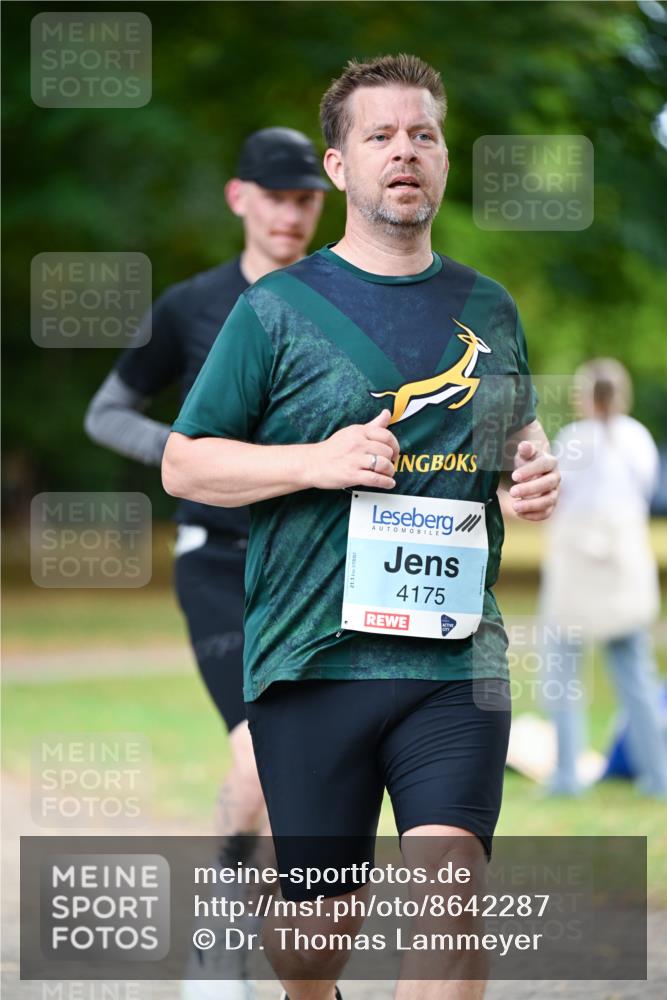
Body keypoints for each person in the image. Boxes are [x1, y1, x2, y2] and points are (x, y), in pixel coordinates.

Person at [163, 55, 560, 1000]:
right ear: (337, 168)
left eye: (421, 134)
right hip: (310, 661)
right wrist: (314, 462)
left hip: (451, 659)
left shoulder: (486, 306)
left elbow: (516, 440)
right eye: (378, 136)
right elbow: (186, 462)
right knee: (309, 947)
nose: (403, 152)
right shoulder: (275, 312)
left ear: (444, 159)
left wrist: (536, 477)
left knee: (449, 895)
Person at [84, 128, 327, 996]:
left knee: (305, 764)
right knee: (259, 755)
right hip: (219, 562)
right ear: (239, 198)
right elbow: (105, 412)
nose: (291, 214)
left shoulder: (343, 301)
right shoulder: (191, 304)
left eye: (306, 199)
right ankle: (218, 939)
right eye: (275, 196)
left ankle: (304, 947)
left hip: (316, 568)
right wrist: (186, 453)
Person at [539, 358, 667, 797]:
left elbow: (555, 497)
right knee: (638, 680)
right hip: (625, 571)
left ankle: (567, 776)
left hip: (576, 570)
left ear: (586, 396)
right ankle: (659, 777)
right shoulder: (639, 438)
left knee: (561, 676)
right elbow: (648, 494)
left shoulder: (573, 439)